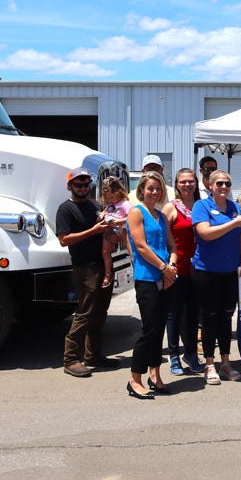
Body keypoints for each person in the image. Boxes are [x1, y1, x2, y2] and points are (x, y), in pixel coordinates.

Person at [57, 168, 117, 378]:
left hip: (103, 264)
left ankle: (94, 355)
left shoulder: (94, 205)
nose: (83, 188)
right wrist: (93, 231)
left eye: (86, 184)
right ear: (70, 186)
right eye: (78, 184)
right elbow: (64, 240)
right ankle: (71, 359)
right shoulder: (65, 209)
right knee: (85, 313)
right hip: (84, 267)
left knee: (100, 312)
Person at [126, 172, 178, 399]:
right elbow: (141, 246)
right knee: (148, 330)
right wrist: (164, 268)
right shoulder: (136, 213)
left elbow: (172, 246)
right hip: (148, 278)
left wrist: (172, 266)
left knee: (158, 330)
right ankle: (134, 379)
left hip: (166, 277)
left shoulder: (161, 216)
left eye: (158, 188)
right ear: (142, 190)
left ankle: (154, 375)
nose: (154, 192)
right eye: (150, 188)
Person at [192, 169, 241, 385]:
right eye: (219, 183)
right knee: (210, 318)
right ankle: (209, 363)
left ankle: (225, 361)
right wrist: (233, 223)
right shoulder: (202, 206)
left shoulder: (234, 207)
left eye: (227, 183)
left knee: (226, 317)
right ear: (210, 186)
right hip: (207, 271)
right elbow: (205, 233)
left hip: (229, 271)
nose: (224, 187)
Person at [162, 168, 205, 376]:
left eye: (191, 181)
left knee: (193, 315)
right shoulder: (170, 208)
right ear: (177, 185)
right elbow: (161, 238)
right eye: (183, 181)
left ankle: (191, 353)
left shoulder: (202, 206)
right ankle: (174, 355)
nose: (187, 185)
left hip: (198, 269)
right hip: (176, 269)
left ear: (196, 183)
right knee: (174, 314)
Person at [98, 175, 131, 289]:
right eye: (107, 199)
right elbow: (106, 210)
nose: (110, 200)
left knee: (106, 248)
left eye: (111, 197)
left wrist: (119, 221)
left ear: (119, 192)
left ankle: (108, 274)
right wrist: (102, 214)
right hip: (108, 227)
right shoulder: (111, 204)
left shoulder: (124, 204)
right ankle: (107, 272)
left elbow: (132, 216)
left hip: (118, 228)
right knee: (104, 251)